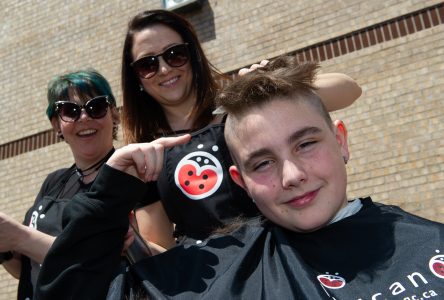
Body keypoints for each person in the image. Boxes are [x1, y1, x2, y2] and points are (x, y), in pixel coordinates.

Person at [34, 56, 443, 299]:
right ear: (240, 180)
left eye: (305, 144)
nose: (293, 176)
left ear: (342, 142)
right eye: (262, 163)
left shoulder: (430, 243)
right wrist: (108, 198)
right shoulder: (220, 275)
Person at [120, 9, 362, 248]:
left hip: (288, 260)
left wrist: (270, 88)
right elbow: (159, 245)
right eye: (147, 64)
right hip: (213, 282)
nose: (164, 69)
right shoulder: (145, 154)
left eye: (175, 54)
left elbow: (349, 89)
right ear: (136, 78)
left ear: (193, 55)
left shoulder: (239, 110)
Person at [0, 69, 120, 299]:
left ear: (114, 115)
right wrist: (6, 249)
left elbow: (126, 261)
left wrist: (19, 237)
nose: (84, 117)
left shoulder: (129, 174)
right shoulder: (53, 182)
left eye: (96, 107)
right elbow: (28, 268)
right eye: (70, 110)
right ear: (57, 125)